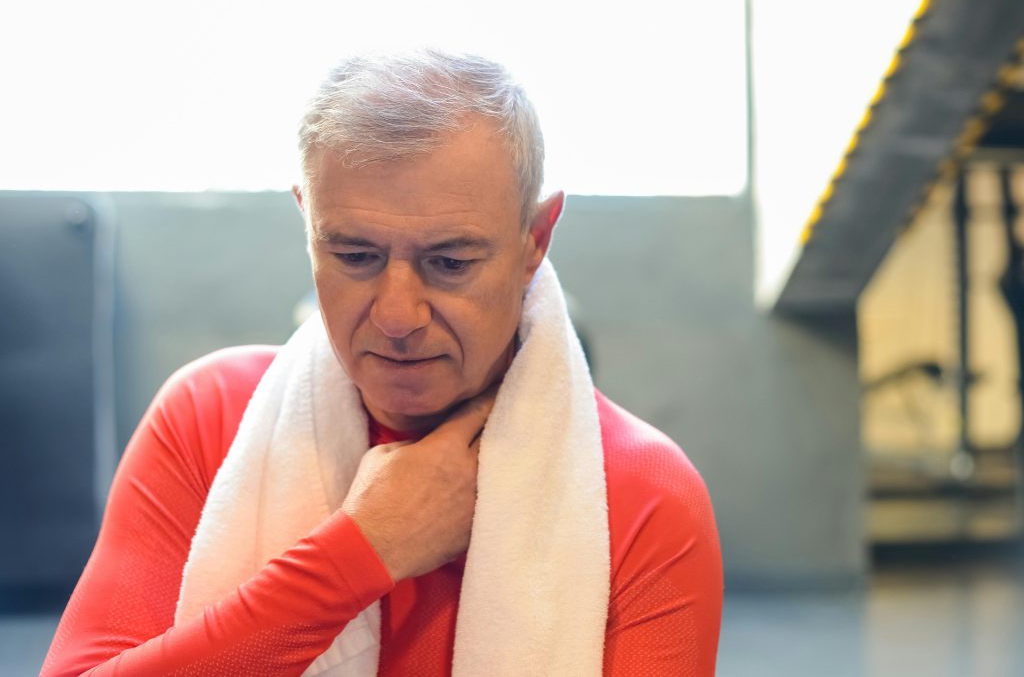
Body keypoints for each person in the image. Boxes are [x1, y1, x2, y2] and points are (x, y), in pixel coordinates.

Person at [41, 49, 723, 676]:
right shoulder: (207, 416)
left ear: (534, 240)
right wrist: (358, 555)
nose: (398, 316)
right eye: (356, 257)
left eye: (450, 263)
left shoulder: (642, 494)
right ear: (308, 223)